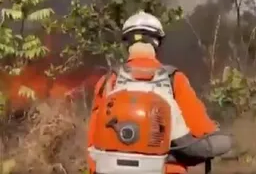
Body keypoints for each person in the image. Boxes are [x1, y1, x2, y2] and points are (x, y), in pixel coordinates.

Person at [87, 11, 232, 174]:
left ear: (127, 44)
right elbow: (201, 130)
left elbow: (93, 141)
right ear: (156, 43)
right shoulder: (174, 79)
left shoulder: (108, 81)